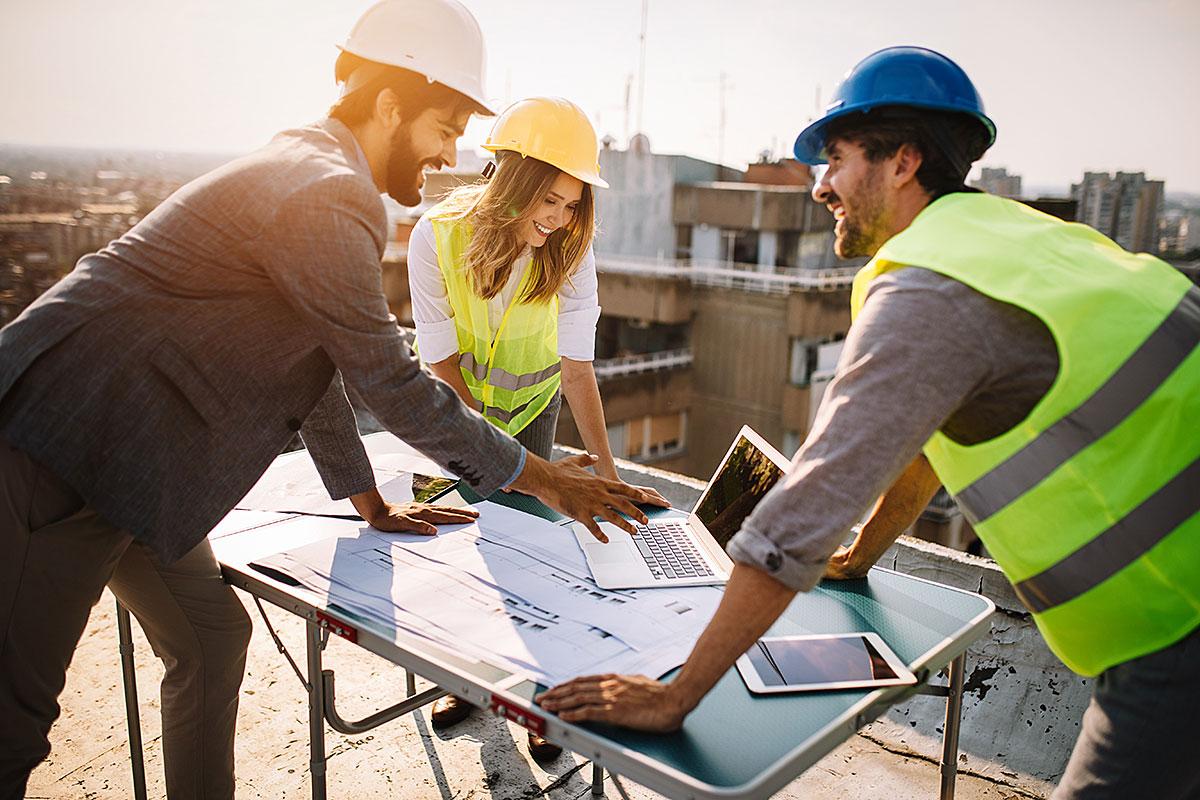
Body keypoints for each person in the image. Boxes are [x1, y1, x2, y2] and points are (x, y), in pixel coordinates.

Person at [0, 1, 658, 797]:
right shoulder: (323, 190)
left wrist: (369, 502)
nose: (455, 150)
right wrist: (547, 478)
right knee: (12, 730)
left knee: (208, 643)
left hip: (140, 471)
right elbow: (390, 381)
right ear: (389, 104)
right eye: (445, 125)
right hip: (58, 453)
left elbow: (310, 370)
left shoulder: (321, 177)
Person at [537, 46, 1200, 799]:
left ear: (903, 163)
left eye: (838, 159)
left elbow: (803, 514)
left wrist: (676, 694)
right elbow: (926, 450)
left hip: (1178, 621)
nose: (820, 187)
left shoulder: (931, 292)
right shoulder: (1028, 242)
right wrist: (859, 557)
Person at [406, 96, 666, 762]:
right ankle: (470, 681)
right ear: (511, 181)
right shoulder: (433, 236)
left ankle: (542, 706)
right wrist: (483, 456)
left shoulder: (569, 250)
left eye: (572, 203)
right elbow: (439, 365)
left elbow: (578, 369)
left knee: (537, 555)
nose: (559, 218)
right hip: (456, 410)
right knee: (470, 552)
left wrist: (607, 477)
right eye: (548, 200)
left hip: (534, 410)